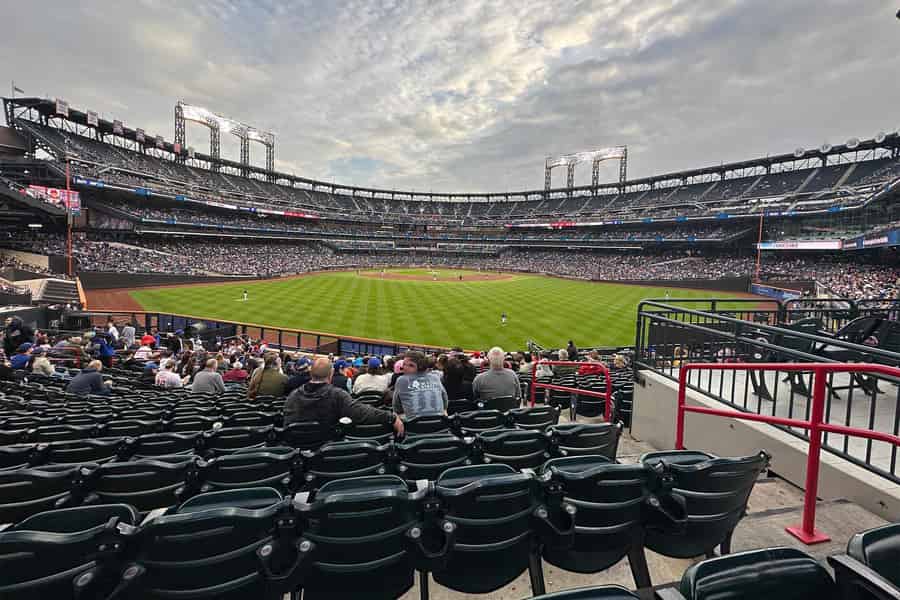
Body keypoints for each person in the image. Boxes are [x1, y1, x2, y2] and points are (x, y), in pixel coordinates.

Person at [283, 358, 403, 435]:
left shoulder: (293, 396)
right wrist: (391, 417)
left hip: (296, 451)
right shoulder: (337, 395)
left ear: (311, 374)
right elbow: (361, 412)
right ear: (330, 376)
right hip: (325, 449)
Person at [392, 351, 448, 417]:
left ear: (421, 368)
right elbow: (445, 404)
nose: (404, 367)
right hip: (440, 425)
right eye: (404, 364)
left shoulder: (401, 380)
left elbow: (396, 409)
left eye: (411, 365)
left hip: (415, 425)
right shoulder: (435, 377)